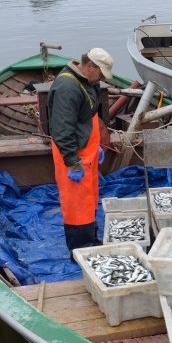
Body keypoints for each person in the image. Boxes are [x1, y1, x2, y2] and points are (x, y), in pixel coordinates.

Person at [45, 48, 114, 251]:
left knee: (89, 198)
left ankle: (90, 240)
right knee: (76, 205)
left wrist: (96, 147)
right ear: (90, 66)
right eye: (100, 73)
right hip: (73, 155)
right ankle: (79, 249)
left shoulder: (86, 81)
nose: (101, 78)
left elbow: (86, 119)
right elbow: (62, 130)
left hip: (88, 152)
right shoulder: (68, 87)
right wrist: (72, 162)